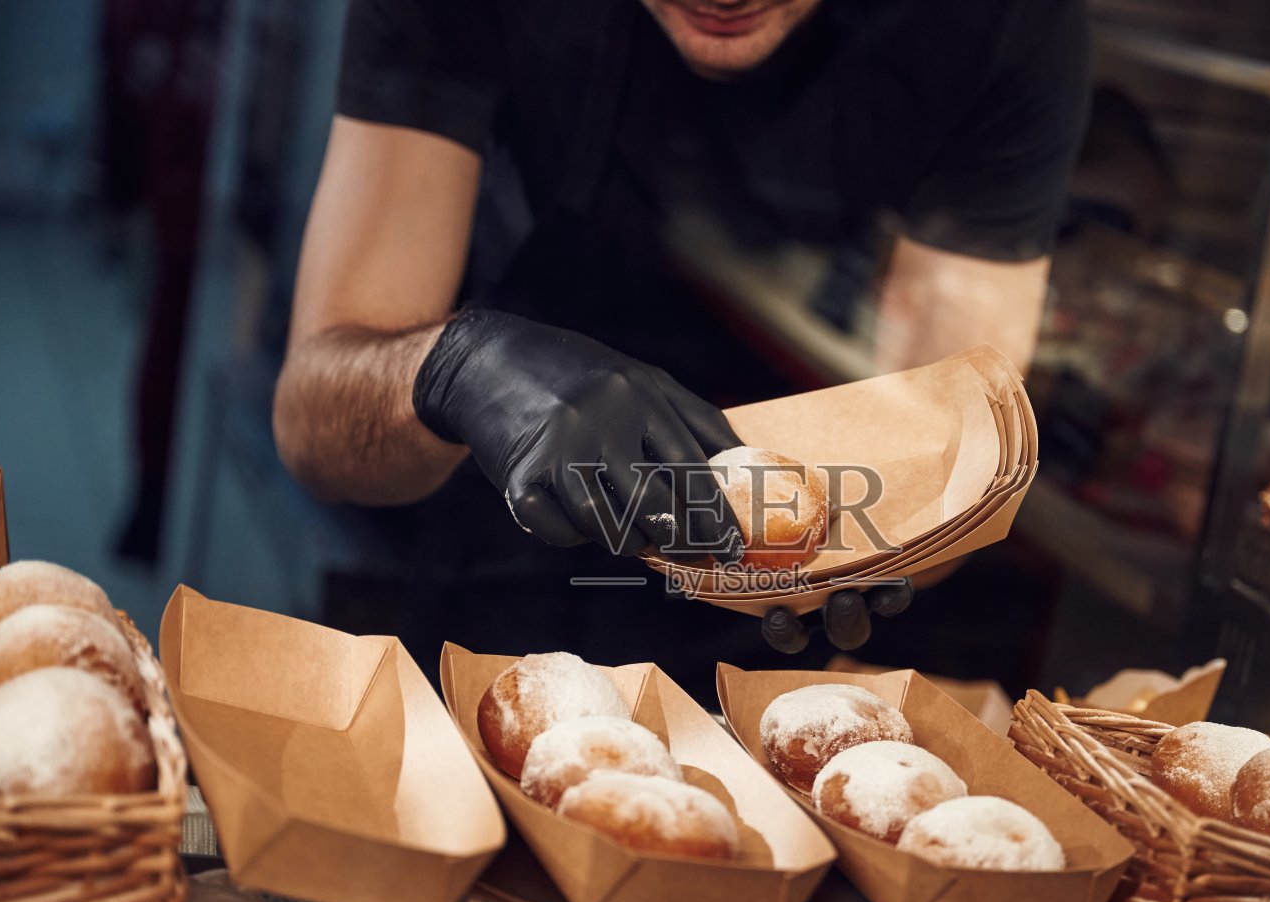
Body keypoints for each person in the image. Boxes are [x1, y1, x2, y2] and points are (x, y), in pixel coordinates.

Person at [273, 0, 1089, 684]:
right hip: (493, 541)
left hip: (780, 636)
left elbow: (954, 445)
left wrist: (879, 546)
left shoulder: (997, 20)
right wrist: (455, 370)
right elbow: (314, 422)